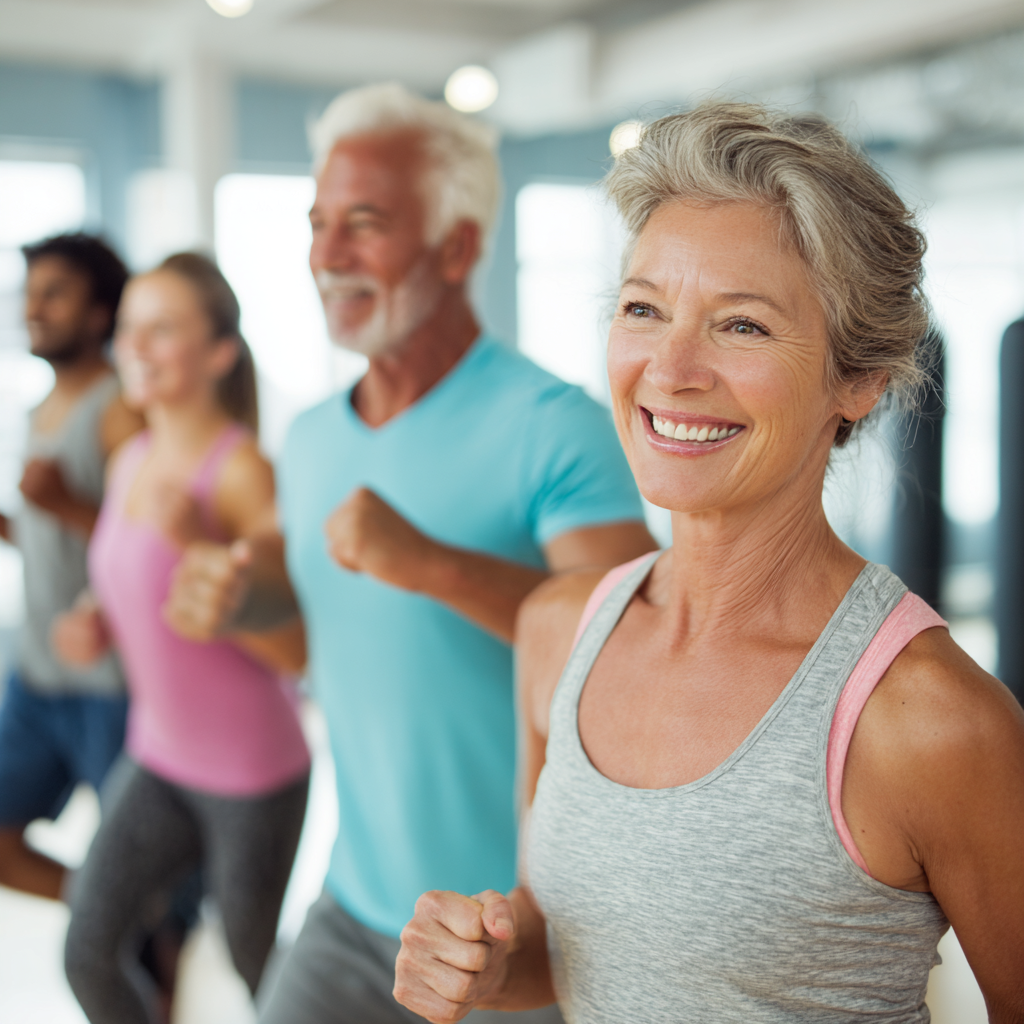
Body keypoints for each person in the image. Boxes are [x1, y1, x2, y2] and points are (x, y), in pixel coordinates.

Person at [394, 104, 1024, 1023]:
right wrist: (486, 965)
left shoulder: (929, 720)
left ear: (858, 380)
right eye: (643, 310)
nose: (670, 368)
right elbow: (569, 955)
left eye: (743, 326)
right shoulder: (560, 629)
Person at [162, 83, 657, 1024]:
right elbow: (322, 654)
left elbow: (637, 665)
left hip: (513, 940)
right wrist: (239, 608)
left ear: (456, 248)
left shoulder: (553, 425)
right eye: (319, 225)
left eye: (365, 224)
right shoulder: (311, 439)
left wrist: (433, 566)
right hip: (354, 911)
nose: (327, 256)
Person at [54, 253, 311, 1024]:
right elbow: (128, 580)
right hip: (157, 755)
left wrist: (201, 542)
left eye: (162, 328)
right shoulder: (129, 458)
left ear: (220, 352)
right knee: (87, 951)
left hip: (251, 771)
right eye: (129, 326)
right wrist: (95, 618)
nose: (134, 345)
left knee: (256, 966)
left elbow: (295, 652)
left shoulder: (241, 473)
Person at [0, 232, 140, 899]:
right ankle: (109, 916)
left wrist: (64, 505)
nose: (34, 309)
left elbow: (148, 548)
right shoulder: (39, 410)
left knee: (135, 856)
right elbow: (50, 541)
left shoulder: (120, 411)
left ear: (99, 313)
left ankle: (136, 927)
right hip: (36, 674)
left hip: (111, 684)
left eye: (54, 294)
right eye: (32, 294)